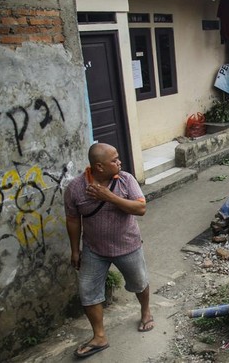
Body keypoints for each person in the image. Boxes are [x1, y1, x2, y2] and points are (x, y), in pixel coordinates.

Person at [64, 143, 153, 359]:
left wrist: (109, 196)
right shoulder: (75, 188)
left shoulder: (126, 179)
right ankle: (99, 336)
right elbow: (73, 220)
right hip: (94, 249)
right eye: (114, 160)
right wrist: (75, 250)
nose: (119, 162)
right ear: (99, 166)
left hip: (127, 245)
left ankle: (146, 311)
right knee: (88, 291)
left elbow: (141, 208)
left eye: (118, 158)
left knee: (139, 282)